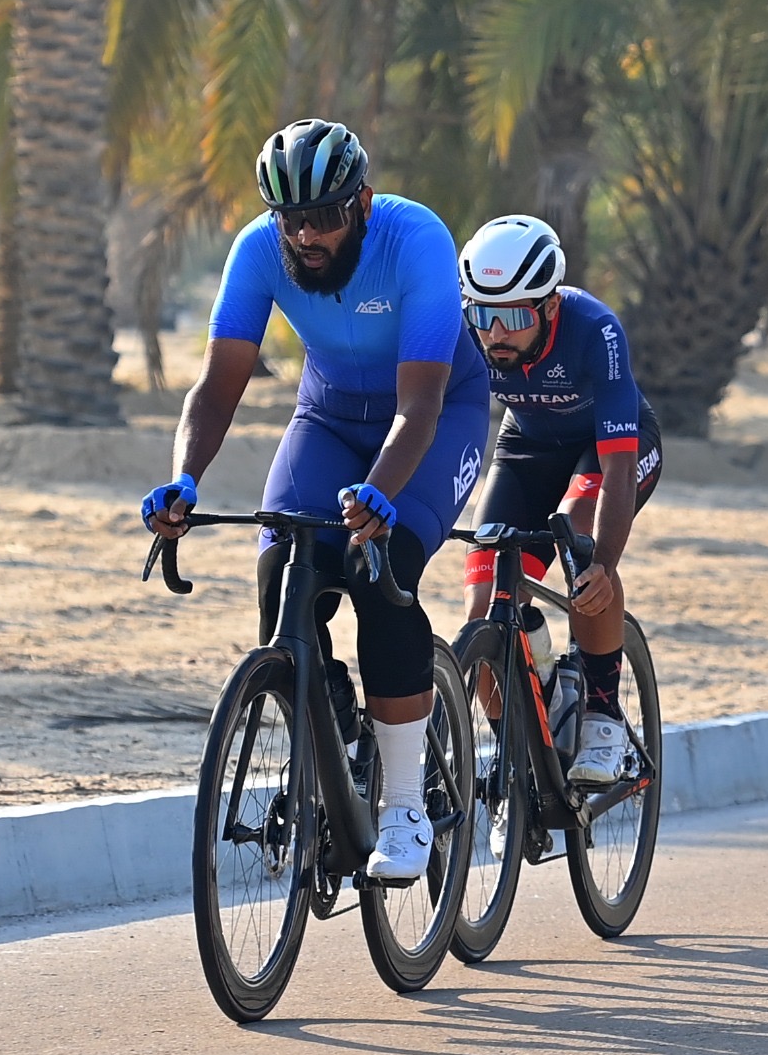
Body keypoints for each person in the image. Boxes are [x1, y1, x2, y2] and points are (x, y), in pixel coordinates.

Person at [144, 118, 491, 883]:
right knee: (280, 572)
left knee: (380, 567)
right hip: (329, 417)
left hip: (436, 416)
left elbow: (422, 406)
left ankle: (404, 805)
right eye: (290, 217)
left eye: (324, 216)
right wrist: (186, 479)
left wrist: (381, 494)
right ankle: (329, 722)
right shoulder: (258, 250)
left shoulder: (417, 240)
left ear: (362, 203)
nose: (306, 235)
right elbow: (218, 384)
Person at [458, 215, 663, 786]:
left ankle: (602, 714)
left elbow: (619, 463)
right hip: (526, 447)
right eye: (482, 315)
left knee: (575, 538)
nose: (494, 333)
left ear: (548, 307)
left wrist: (604, 564)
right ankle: (521, 757)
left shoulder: (593, 328)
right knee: (482, 602)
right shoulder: (464, 330)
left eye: (512, 317)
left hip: (609, 446)